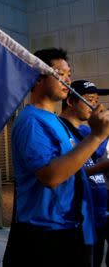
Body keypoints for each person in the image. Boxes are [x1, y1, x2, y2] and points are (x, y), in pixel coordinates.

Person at [3, 48, 109, 267]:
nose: (68, 80)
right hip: (45, 234)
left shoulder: (55, 121)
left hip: (69, 227)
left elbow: (73, 171)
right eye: (60, 74)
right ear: (37, 77)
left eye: (69, 74)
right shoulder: (31, 121)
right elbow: (50, 176)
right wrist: (97, 137)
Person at [59, 79, 109, 267]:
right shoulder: (59, 130)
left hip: (100, 213)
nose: (95, 106)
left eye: (97, 101)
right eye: (89, 99)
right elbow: (63, 172)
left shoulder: (90, 130)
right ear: (71, 101)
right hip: (77, 221)